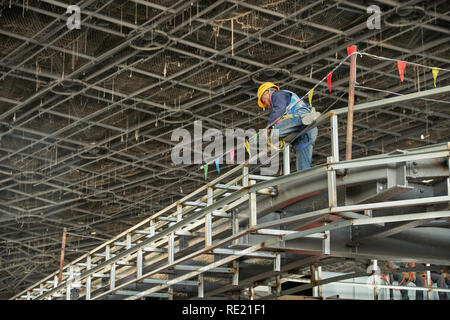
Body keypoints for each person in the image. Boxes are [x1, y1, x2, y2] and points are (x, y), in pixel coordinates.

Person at [257, 82, 321, 172]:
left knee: (274, 133)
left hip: (297, 119)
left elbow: (278, 109)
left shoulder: (277, 94)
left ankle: (305, 118)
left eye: (264, 101)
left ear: (267, 93)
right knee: (302, 168)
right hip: (306, 133)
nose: (266, 105)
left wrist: (268, 128)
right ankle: (305, 179)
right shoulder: (285, 96)